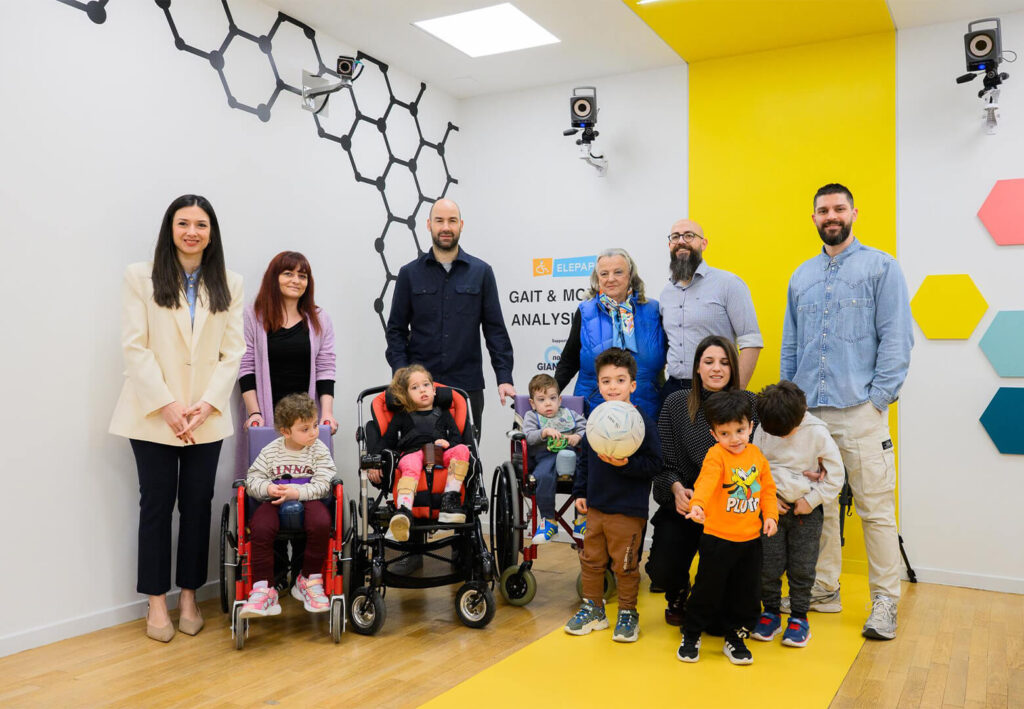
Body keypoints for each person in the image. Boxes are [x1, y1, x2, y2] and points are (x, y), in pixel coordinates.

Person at [780, 183, 913, 640]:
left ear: (854, 213)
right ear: (814, 218)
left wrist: (878, 401)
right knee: (821, 509)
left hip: (860, 411)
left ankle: (885, 602)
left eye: (839, 208)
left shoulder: (881, 267)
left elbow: (897, 338)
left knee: (876, 510)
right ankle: (823, 589)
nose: (831, 216)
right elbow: (791, 346)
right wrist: (791, 408)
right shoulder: (801, 276)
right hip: (810, 415)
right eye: (823, 210)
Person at [109, 194, 244, 642]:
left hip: (206, 415)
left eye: (201, 225)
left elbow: (233, 352)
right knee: (156, 505)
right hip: (152, 415)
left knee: (197, 505)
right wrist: (166, 404)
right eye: (183, 223)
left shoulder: (230, 282)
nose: (192, 232)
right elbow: (135, 346)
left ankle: (188, 595)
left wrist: (207, 403)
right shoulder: (140, 276)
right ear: (170, 228)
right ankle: (155, 602)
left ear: (211, 233)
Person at [647, 335, 758, 626]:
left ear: (734, 368)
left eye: (724, 362)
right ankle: (678, 591)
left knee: (718, 622)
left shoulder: (750, 404)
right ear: (697, 367)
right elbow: (664, 464)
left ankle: (715, 596)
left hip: (733, 510)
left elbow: (780, 438)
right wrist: (675, 488)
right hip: (688, 504)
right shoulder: (675, 404)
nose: (716, 368)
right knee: (661, 570)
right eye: (709, 362)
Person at [385, 198, 515, 435]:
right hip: (419, 388)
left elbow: (495, 330)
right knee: (420, 452)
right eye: (439, 221)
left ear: (461, 225)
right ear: (429, 225)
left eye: (452, 221)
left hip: (466, 386)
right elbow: (396, 331)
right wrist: (402, 375)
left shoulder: (481, 272)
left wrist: (504, 377)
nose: (446, 227)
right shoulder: (409, 274)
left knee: (467, 453)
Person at [564, 348, 662, 644]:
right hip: (596, 507)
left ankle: (628, 612)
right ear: (598, 384)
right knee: (591, 560)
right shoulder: (595, 419)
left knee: (626, 565)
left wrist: (627, 464)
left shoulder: (642, 421)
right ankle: (594, 609)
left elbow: (655, 464)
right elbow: (584, 460)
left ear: (633, 384)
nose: (613, 387)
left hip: (628, 510)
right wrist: (580, 492)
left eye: (620, 380)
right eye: (606, 381)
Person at [677, 390, 778, 665]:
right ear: (714, 434)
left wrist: (771, 516)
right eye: (725, 433)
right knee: (707, 590)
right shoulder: (716, 456)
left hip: (750, 541)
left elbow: (767, 490)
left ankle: (736, 637)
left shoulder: (757, 455)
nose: (734, 439)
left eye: (740, 431)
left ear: (751, 427)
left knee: (747, 594)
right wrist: (697, 505)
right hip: (718, 540)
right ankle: (691, 634)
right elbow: (706, 483)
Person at [749, 381, 843, 648]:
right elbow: (753, 468)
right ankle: (771, 612)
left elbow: (836, 477)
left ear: (800, 416)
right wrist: (766, 500)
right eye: (775, 434)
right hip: (772, 510)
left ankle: (799, 617)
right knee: (769, 565)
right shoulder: (764, 429)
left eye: (786, 433)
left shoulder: (818, 433)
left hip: (806, 512)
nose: (781, 439)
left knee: (802, 567)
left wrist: (810, 501)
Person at [237, 251, 337, 478]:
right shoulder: (253, 316)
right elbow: (246, 366)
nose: (296, 280)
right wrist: (255, 413)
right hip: (266, 416)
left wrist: (327, 414)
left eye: (302, 276)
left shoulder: (320, 318)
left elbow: (326, 368)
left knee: (310, 481)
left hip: (306, 418)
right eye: (288, 273)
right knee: (264, 480)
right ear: (274, 277)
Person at [240, 394, 336, 618]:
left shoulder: (319, 449)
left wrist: (297, 493)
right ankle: (264, 588)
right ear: (285, 431)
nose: (313, 432)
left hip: (309, 497)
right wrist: (268, 488)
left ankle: (309, 579)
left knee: (321, 522)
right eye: (305, 429)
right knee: (260, 526)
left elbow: (325, 483)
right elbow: (252, 480)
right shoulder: (271, 451)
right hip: (275, 497)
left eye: (315, 425)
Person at [659, 219, 762, 405]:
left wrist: (734, 394)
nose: (681, 241)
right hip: (673, 391)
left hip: (716, 390)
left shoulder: (729, 284)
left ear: (703, 243)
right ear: (669, 245)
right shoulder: (666, 293)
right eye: (675, 237)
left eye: (689, 236)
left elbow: (751, 342)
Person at [554, 248, 665, 420]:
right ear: (597, 278)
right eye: (604, 273)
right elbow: (569, 361)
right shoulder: (585, 312)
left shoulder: (654, 310)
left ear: (630, 275)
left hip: (647, 411)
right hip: (594, 413)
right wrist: (548, 396)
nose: (611, 279)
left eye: (618, 272)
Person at [367, 365, 472, 540]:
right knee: (410, 463)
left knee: (462, 449)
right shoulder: (402, 416)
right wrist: (374, 461)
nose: (422, 390)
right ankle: (404, 511)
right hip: (412, 453)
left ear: (434, 390)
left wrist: (448, 444)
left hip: (437, 453)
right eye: (414, 388)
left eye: (426, 385)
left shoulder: (444, 414)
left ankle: (450, 499)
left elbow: (457, 439)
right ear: (406, 395)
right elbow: (386, 441)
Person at [521, 373, 587, 544]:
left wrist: (578, 436)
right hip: (546, 456)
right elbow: (528, 436)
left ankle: (582, 519)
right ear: (532, 403)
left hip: (572, 455)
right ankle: (549, 520)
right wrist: (544, 432)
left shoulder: (569, 414)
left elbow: (586, 428)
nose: (548, 403)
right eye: (541, 400)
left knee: (587, 473)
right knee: (542, 476)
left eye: (552, 398)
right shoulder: (531, 416)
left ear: (559, 399)